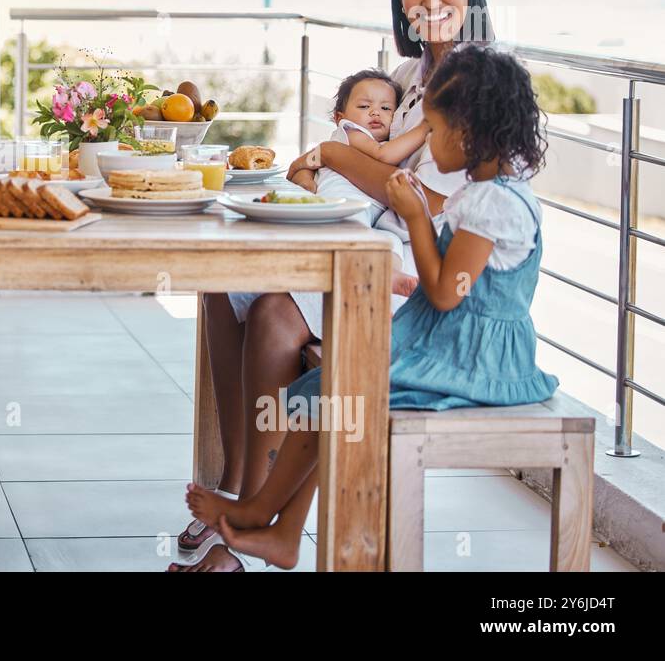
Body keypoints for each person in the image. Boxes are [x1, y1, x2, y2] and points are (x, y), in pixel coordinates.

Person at [170, 0, 494, 572]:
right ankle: (237, 493)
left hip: (424, 276)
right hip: (367, 244)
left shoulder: (482, 81)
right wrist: (316, 170)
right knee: (224, 289)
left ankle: (251, 519)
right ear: (400, 3)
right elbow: (376, 168)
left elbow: (427, 204)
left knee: (272, 314)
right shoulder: (406, 75)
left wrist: (338, 155)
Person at [184, 43, 557, 569]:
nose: (425, 143)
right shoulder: (482, 192)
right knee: (328, 387)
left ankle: (262, 509)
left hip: (475, 359)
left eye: (433, 130)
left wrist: (417, 219)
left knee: (339, 392)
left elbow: (447, 290)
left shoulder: (495, 204)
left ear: (469, 134)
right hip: (447, 342)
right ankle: (281, 529)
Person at [289, 68, 425, 296]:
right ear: (340, 117)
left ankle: (390, 276)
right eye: (364, 107)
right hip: (345, 201)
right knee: (354, 232)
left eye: (386, 108)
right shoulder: (352, 131)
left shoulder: (388, 139)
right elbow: (384, 155)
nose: (375, 113)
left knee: (390, 240)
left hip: (374, 211)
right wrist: (425, 128)